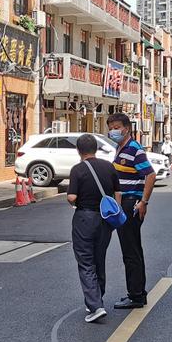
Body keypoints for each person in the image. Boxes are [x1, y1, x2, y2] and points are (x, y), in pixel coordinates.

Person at [66, 133, 119, 323]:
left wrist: (72, 199)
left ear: (78, 150)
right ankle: (97, 299)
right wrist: (113, 213)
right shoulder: (108, 167)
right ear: (96, 148)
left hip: (84, 219)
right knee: (99, 259)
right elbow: (117, 193)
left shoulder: (77, 170)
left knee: (86, 262)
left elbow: (72, 197)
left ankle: (95, 306)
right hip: (105, 219)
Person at [106, 112, 156, 310]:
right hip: (124, 203)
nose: (113, 131)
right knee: (132, 250)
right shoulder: (121, 148)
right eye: (110, 128)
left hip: (131, 204)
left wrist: (143, 201)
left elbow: (150, 175)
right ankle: (138, 293)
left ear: (126, 128)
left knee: (131, 252)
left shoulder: (134, 148)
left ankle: (135, 295)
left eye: (116, 127)